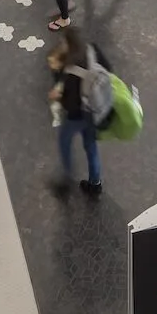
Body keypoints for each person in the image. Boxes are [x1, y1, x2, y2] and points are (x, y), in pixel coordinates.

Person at [51, 26, 107, 196]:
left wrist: (58, 96)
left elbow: (71, 104)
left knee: (64, 141)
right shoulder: (91, 49)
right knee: (91, 146)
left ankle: (67, 178)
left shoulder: (71, 69)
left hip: (78, 116)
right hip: (95, 110)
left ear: (68, 44)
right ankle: (95, 183)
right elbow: (108, 69)